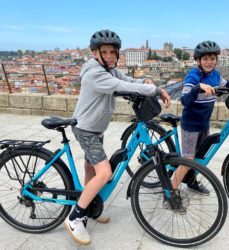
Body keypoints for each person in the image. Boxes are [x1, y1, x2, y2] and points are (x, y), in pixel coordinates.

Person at [64, 29, 171, 245]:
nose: (111, 55)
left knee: (91, 170)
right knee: (104, 173)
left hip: (96, 128)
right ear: (95, 53)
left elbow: (128, 78)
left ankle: (90, 206)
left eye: (114, 52)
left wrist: (147, 82)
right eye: (105, 52)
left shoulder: (110, 69)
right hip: (86, 130)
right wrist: (155, 90)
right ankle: (75, 217)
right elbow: (121, 86)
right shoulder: (95, 73)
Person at [171, 41, 229, 197]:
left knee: (200, 157)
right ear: (198, 61)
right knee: (188, 159)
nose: (209, 62)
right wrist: (198, 87)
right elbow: (184, 99)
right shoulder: (194, 75)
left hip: (204, 123)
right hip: (191, 124)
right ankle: (171, 191)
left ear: (216, 60)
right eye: (205, 59)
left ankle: (191, 181)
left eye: (212, 58)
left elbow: (226, 84)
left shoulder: (215, 75)